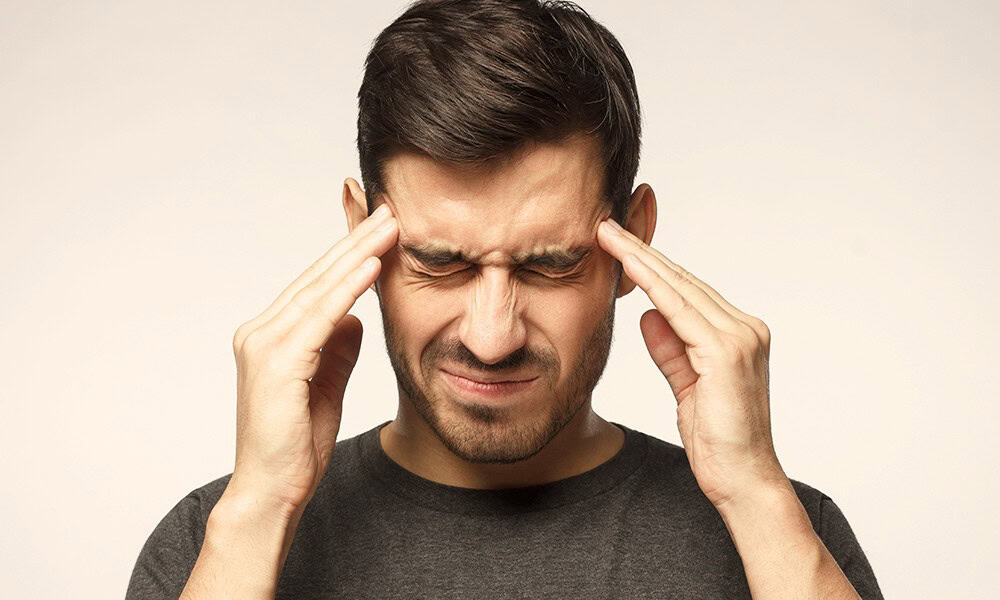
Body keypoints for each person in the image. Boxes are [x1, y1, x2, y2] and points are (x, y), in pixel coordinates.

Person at [126, 1, 883, 598]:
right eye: (440, 262)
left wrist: (755, 494)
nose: (492, 338)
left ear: (635, 241)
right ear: (362, 236)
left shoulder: (786, 536)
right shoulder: (213, 542)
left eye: (551, 265)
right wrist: (261, 507)